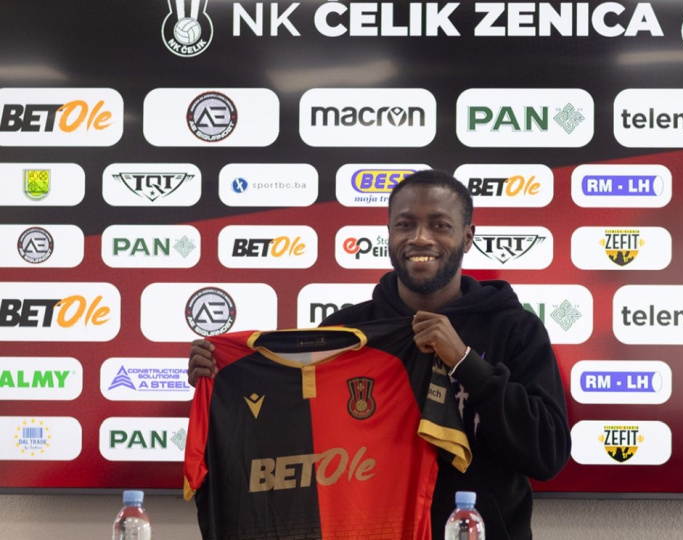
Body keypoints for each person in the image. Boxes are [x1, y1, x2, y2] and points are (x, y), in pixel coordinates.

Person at [188, 169, 571, 540]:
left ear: (468, 237)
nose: (420, 238)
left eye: (440, 225)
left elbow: (548, 454)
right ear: (388, 234)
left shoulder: (514, 328)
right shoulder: (345, 333)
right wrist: (225, 382)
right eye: (405, 224)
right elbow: (290, 438)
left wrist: (466, 362)